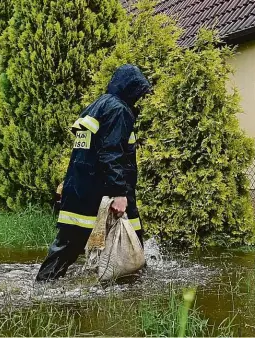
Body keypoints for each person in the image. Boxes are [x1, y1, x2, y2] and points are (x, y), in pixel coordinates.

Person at [35, 64, 153, 282]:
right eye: (138, 92)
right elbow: (111, 153)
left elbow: (85, 151)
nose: (139, 99)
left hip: (80, 186)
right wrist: (119, 193)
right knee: (128, 237)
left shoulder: (96, 106)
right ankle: (132, 286)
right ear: (130, 89)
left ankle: (43, 286)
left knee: (68, 244)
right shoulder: (119, 110)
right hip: (102, 189)